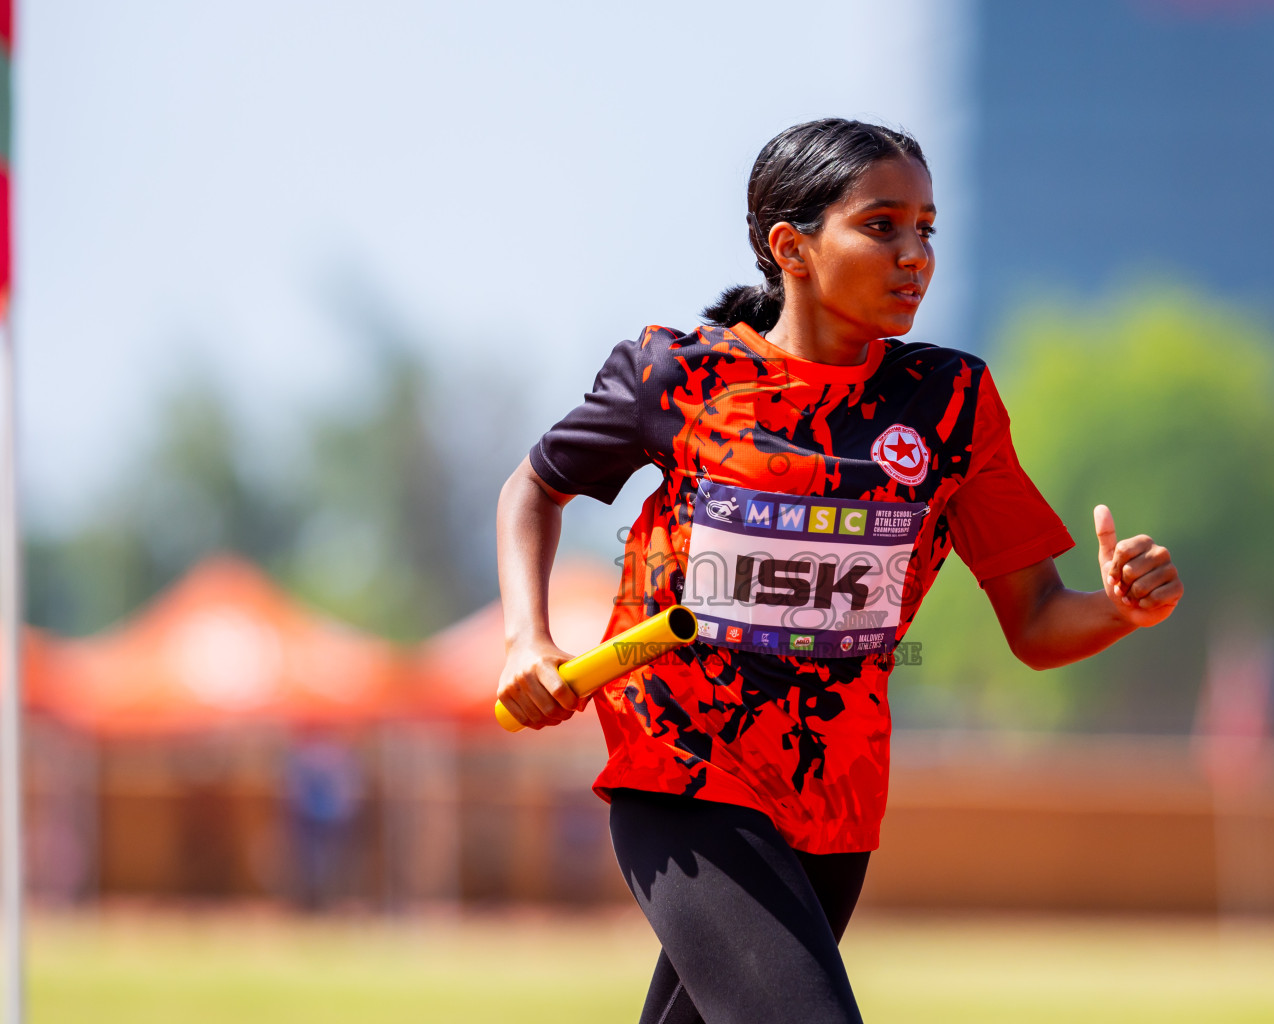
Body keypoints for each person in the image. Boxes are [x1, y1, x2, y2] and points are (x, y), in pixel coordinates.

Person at [495, 118, 1183, 1024]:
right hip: (685, 773)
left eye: (927, 229)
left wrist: (1122, 611)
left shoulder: (952, 403)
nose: (916, 255)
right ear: (792, 247)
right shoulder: (680, 378)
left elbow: (1037, 620)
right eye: (883, 225)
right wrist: (526, 636)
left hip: (836, 798)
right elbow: (534, 487)